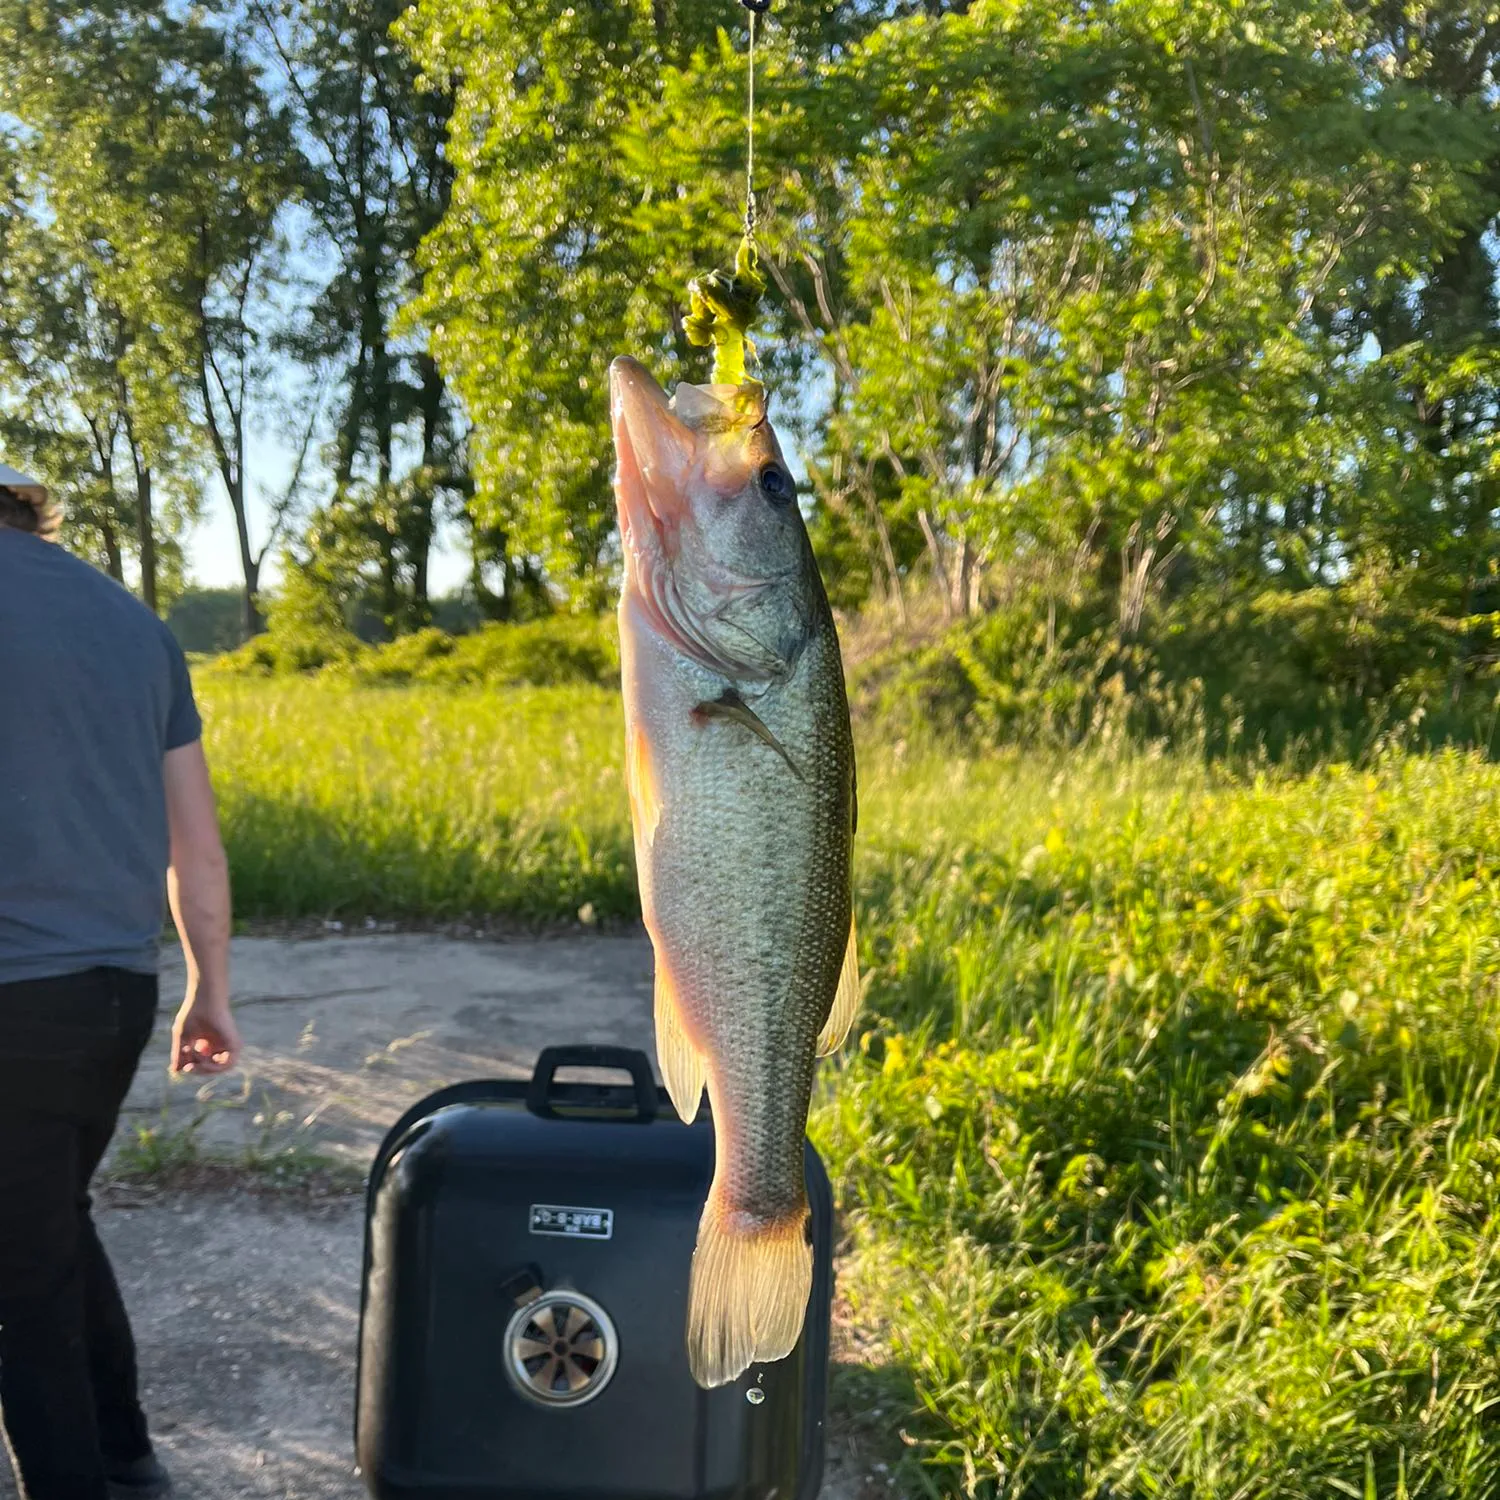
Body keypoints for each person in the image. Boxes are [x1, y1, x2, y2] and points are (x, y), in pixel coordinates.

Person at [0, 474, 242, 1500]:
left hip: (13, 997)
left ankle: (75, 1480)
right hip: (115, 994)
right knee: (49, 1218)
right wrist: (210, 991)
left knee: (21, 1277)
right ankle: (126, 1452)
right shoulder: (134, 625)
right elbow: (199, 849)